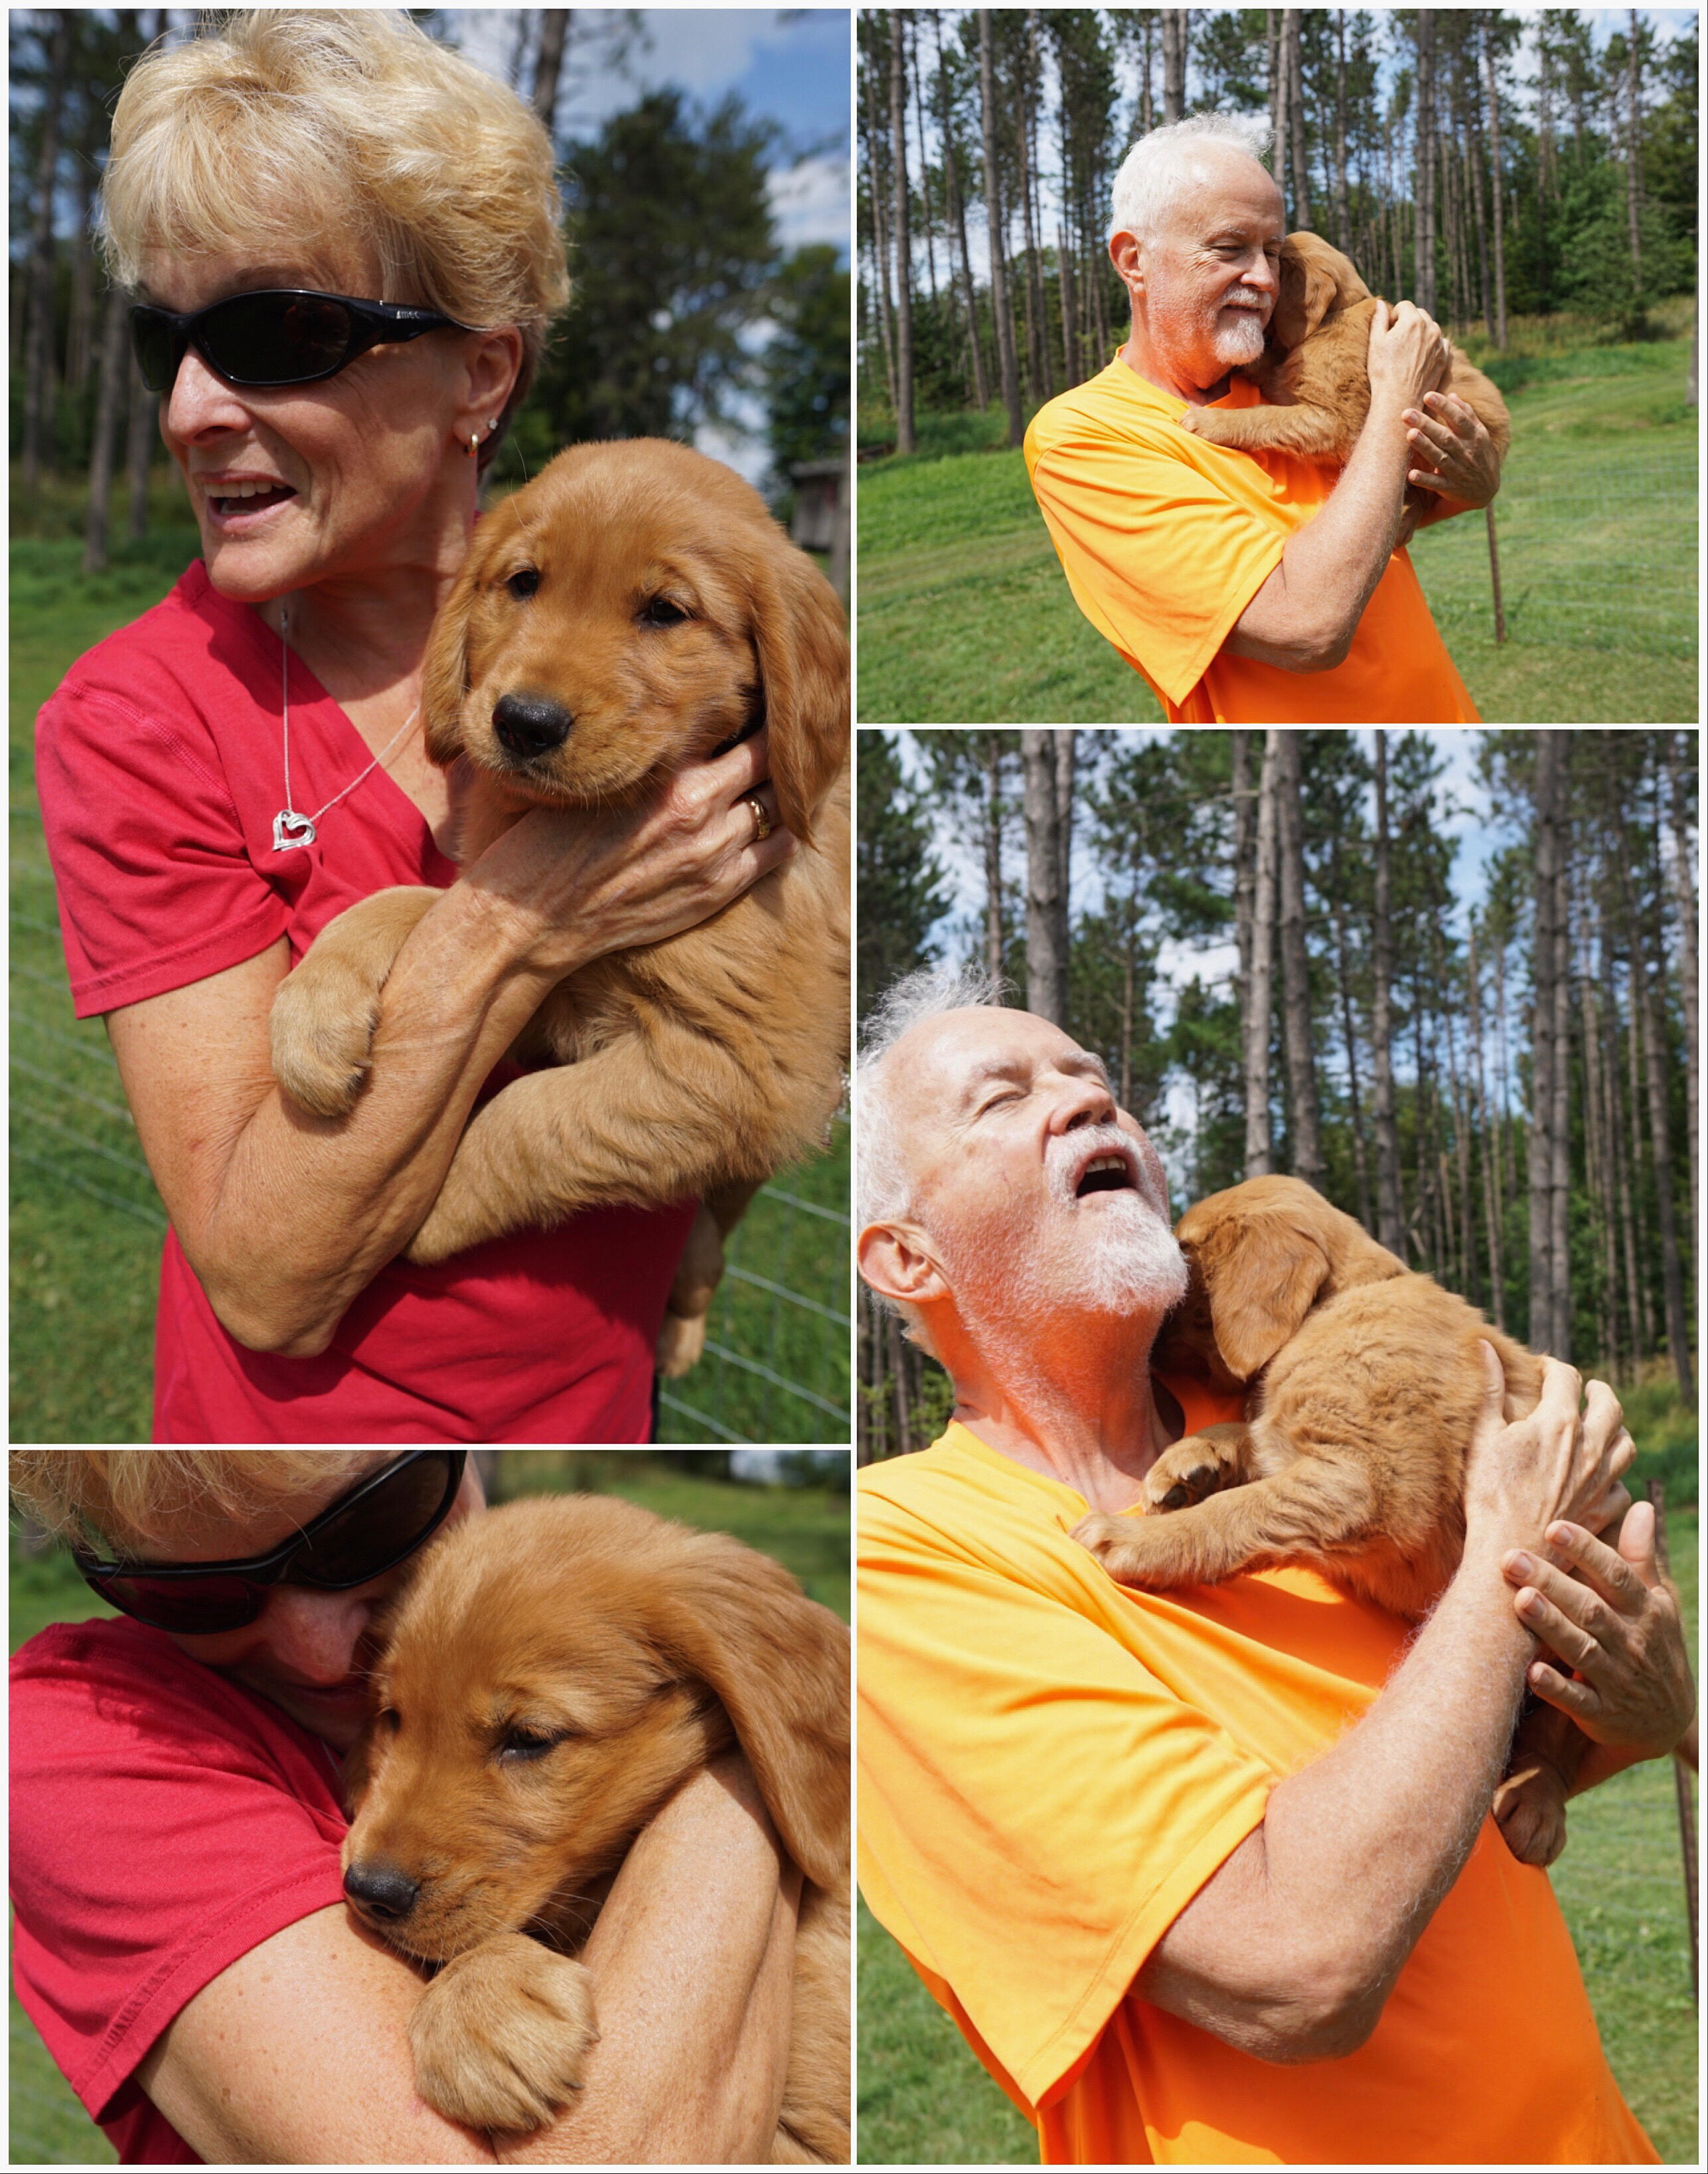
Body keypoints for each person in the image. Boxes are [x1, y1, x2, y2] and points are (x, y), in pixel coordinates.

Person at [35, 10, 796, 1442]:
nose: (195, 406)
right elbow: (266, 1275)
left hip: (585, 1447)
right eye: (167, 341)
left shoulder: (672, 641)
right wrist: (518, 920)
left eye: (274, 333)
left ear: (481, 376)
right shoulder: (136, 716)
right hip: (296, 1481)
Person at [854, 966, 1695, 2167]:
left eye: (1096, 1084)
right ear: (905, 1259)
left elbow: (1511, 1747)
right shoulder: (906, 1555)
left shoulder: (1270, 1404)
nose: (1090, 1106)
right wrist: (1506, 1534)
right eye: (1001, 1100)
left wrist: (1652, 1701)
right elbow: (1300, 1965)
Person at [9, 1448, 803, 2165]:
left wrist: (774, 1729)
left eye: (370, 1522)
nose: (327, 1652)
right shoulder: (71, 1733)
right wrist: (741, 1788)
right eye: (200, 1593)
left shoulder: (563, 1622)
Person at [1024, 114, 1502, 725]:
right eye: (1229, 248)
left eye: (1273, 253)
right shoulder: (1086, 437)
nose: (1264, 278)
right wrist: (1393, 396)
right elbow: (1307, 624)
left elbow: (1402, 498)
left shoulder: (1278, 381)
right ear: (1133, 261)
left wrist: (1475, 481)